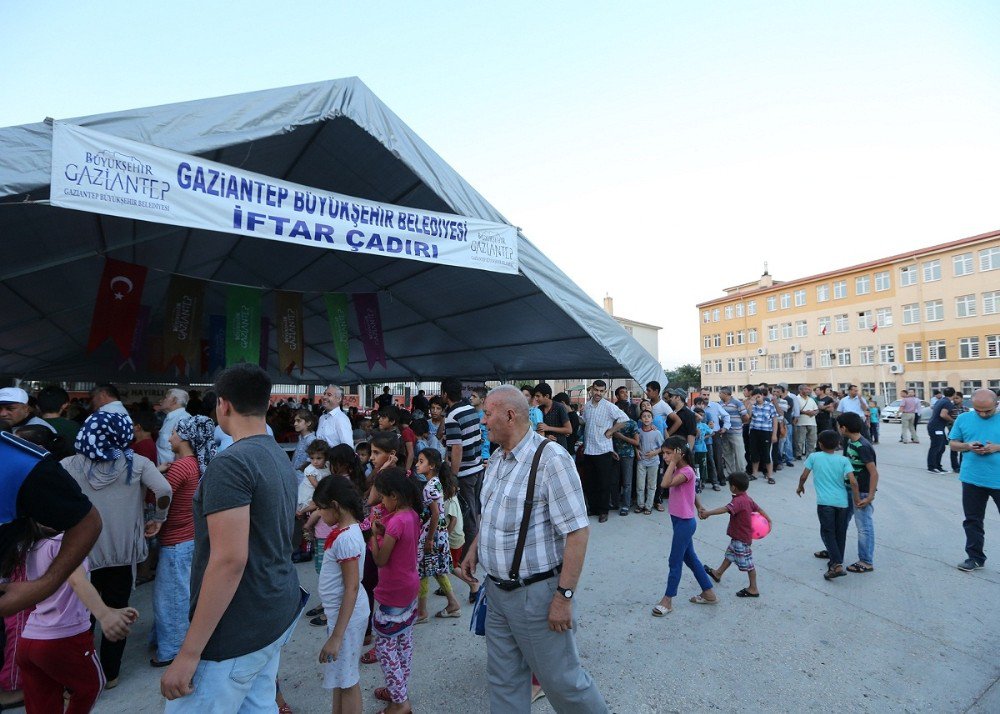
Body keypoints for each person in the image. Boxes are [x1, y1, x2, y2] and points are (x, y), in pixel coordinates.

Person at [160, 364, 303, 709]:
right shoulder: (275, 453)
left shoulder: (232, 463)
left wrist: (189, 652)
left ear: (223, 405)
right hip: (273, 609)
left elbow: (229, 560)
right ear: (266, 404)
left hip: (236, 628)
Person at [461, 385, 607, 713]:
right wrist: (475, 548)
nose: (483, 421)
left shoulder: (551, 459)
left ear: (509, 415)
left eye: (487, 413)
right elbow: (492, 513)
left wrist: (563, 597)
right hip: (496, 593)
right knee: (504, 681)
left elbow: (577, 532)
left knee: (563, 683)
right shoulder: (497, 458)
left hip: (536, 597)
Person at [61, 411, 171, 686]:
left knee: (82, 617)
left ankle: (81, 675)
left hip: (81, 556)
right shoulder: (138, 463)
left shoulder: (67, 465)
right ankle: (110, 674)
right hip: (123, 555)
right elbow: (164, 491)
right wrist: (158, 519)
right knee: (119, 611)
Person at [15, 523, 138, 712]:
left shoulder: (31, 546)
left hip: (30, 641)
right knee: (93, 685)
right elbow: (76, 581)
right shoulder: (66, 544)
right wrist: (104, 615)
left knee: (43, 706)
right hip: (63, 639)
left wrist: (109, 610)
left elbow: (62, 597)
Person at [152, 415, 216, 668]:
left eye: (175, 433)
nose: (170, 438)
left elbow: (159, 497)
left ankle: (171, 650)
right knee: (183, 594)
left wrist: (154, 474)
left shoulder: (180, 467)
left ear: (187, 437)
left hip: (176, 542)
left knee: (172, 600)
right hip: (191, 538)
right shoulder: (199, 465)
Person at [367, 468, 421, 714]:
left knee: (387, 650)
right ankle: (397, 689)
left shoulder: (396, 522)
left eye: (383, 497)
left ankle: (400, 703)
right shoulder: (411, 515)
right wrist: (383, 533)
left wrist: (373, 540)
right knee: (404, 643)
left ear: (394, 497)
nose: (381, 502)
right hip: (410, 589)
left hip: (392, 594)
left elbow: (381, 560)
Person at [313, 476, 368, 714]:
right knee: (340, 677)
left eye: (321, 508)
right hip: (341, 616)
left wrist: (336, 636)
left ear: (335, 506)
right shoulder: (345, 532)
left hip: (346, 620)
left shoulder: (346, 539)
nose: (319, 513)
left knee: (348, 680)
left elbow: (352, 587)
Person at [652, 436, 716, 615]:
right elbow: (692, 492)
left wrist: (672, 463)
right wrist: (700, 506)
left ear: (680, 453)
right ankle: (708, 592)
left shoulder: (686, 471)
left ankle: (668, 600)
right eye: (664, 453)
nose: (665, 456)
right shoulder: (680, 469)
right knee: (690, 558)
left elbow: (664, 484)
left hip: (685, 523)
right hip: (678, 520)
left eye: (668, 453)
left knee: (674, 561)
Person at [947, 389, 1000, 571]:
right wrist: (967, 446)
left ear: (996, 404)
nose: (983, 414)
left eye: (987, 411)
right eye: (978, 410)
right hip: (972, 479)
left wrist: (997, 448)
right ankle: (975, 558)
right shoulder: (963, 419)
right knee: (972, 520)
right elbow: (953, 444)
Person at [796, 429, 860, 581]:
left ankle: (837, 564)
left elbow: (804, 475)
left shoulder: (814, 457)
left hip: (825, 503)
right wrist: (856, 499)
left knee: (827, 532)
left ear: (820, 444)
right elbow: (853, 481)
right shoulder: (844, 460)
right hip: (842, 502)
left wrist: (800, 486)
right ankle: (836, 560)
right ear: (838, 444)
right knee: (840, 531)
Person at [700, 472, 771, 597]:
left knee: (748, 564)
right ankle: (718, 573)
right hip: (738, 537)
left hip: (741, 539)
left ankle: (753, 588)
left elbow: (725, 509)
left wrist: (708, 513)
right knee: (730, 555)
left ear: (733, 487)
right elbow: (759, 509)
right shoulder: (748, 499)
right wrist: (768, 520)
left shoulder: (739, 501)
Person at [413, 448, 462, 621]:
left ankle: (422, 611)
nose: (417, 464)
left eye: (421, 461)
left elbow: (434, 514)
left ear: (432, 465)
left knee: (424, 571)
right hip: (438, 533)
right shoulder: (436, 482)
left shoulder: (430, 486)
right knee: (435, 571)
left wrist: (429, 539)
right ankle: (451, 603)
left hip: (432, 534)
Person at [578, 380, 628, 523]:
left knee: (604, 482)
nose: (598, 393)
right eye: (596, 390)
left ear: (605, 392)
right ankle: (593, 508)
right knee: (590, 482)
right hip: (589, 450)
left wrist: (611, 431)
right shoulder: (587, 406)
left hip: (603, 450)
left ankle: (603, 511)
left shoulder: (609, 407)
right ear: (592, 390)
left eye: (601, 391)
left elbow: (624, 419)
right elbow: (584, 421)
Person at [442, 377, 483, 550]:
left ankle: (469, 555)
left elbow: (457, 448)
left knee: (467, 516)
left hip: (465, 473)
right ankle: (474, 551)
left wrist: (453, 476)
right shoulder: (471, 409)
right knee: (474, 512)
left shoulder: (453, 416)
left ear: (445, 394)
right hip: (478, 467)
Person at [840, 412, 879, 574]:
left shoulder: (863, 446)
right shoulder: (850, 441)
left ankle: (866, 561)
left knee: (864, 527)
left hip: (862, 492)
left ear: (844, 428)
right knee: (841, 521)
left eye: (838, 426)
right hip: (849, 489)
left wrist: (870, 495)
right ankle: (836, 552)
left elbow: (874, 473)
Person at [747, 389, 779, 484]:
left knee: (767, 454)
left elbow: (775, 420)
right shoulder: (753, 406)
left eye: (758, 396)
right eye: (755, 396)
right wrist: (751, 405)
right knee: (754, 453)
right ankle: (754, 474)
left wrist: (774, 434)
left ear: (762, 395)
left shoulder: (770, 406)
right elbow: (748, 416)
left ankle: (770, 476)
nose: (757, 398)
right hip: (754, 431)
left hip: (766, 432)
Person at [635, 409, 664, 514]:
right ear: (640, 419)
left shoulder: (656, 432)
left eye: (648, 416)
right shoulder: (638, 431)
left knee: (652, 485)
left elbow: (663, 447)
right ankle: (640, 505)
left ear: (652, 419)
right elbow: (636, 444)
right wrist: (637, 450)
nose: (646, 418)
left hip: (653, 462)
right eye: (644, 416)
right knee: (640, 485)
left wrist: (654, 453)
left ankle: (648, 506)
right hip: (641, 461)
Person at [156, 389, 191, 465]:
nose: (161, 401)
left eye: (165, 397)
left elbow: (182, 451)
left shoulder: (183, 419)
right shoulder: (170, 418)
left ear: (174, 400)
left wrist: (175, 473)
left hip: (171, 473)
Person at [718, 387, 748, 475]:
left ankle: (741, 473)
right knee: (727, 454)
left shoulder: (737, 403)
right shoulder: (720, 404)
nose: (719, 395)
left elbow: (745, 416)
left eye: (720, 393)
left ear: (726, 394)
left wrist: (738, 424)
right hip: (725, 433)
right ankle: (731, 474)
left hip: (736, 432)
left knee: (739, 454)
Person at [534, 382, 572, 451]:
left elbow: (569, 430)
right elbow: (536, 430)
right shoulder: (538, 409)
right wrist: (546, 436)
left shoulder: (559, 407)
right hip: (545, 448)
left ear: (547, 396)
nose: (536, 399)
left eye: (538, 396)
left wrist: (548, 428)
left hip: (560, 448)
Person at [927, 387, 956, 473]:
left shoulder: (940, 400)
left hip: (936, 426)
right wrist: (953, 421)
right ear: (954, 394)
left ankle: (938, 466)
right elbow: (943, 415)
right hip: (936, 427)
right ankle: (931, 467)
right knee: (936, 446)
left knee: (942, 447)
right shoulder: (947, 403)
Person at [794, 384, 819, 458]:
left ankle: (810, 454)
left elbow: (816, 409)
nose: (808, 391)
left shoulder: (811, 399)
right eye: (806, 389)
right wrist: (805, 412)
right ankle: (798, 454)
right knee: (800, 440)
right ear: (800, 390)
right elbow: (795, 410)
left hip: (812, 422)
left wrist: (814, 412)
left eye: (808, 389)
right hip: (801, 422)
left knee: (812, 440)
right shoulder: (796, 399)